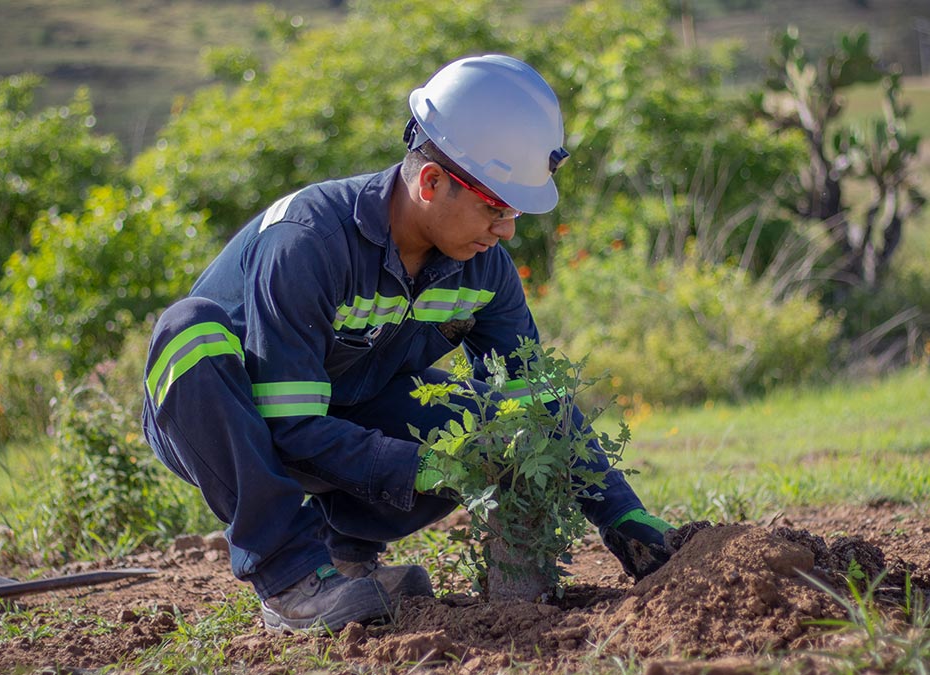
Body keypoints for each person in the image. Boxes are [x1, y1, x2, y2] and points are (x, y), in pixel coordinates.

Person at [141, 54, 674, 634]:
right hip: (231, 420)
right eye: (495, 207)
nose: (507, 229)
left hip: (347, 407)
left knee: (492, 425)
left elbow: (535, 403)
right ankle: (292, 578)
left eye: (515, 210)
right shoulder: (309, 241)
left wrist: (621, 514)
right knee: (188, 329)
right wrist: (419, 466)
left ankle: (345, 555)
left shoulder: (485, 269)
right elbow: (290, 425)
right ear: (431, 182)